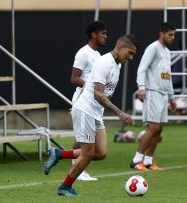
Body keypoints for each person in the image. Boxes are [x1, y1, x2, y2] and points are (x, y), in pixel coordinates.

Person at [44, 34, 138, 196]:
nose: (131, 57)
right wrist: (120, 113)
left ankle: (58, 154)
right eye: (130, 53)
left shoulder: (118, 65)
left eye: (133, 55)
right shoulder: (104, 62)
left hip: (95, 112)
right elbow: (98, 94)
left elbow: (99, 90)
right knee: (87, 154)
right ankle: (65, 186)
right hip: (86, 110)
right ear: (120, 47)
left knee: (100, 153)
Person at [130, 23, 177, 171]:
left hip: (163, 94)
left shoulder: (167, 52)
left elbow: (167, 76)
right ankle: (136, 160)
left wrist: (171, 97)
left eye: (173, 35)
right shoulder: (153, 48)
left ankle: (149, 161)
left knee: (159, 129)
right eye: (170, 34)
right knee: (153, 127)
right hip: (152, 91)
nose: (172, 37)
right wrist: (141, 88)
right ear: (162, 34)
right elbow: (142, 68)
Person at [70, 21, 107, 181]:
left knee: (87, 139)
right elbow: (74, 78)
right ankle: (77, 168)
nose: (106, 37)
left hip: (94, 103)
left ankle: (76, 166)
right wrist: (92, 86)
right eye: (103, 33)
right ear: (94, 34)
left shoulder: (98, 55)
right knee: (82, 139)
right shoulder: (83, 53)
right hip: (82, 100)